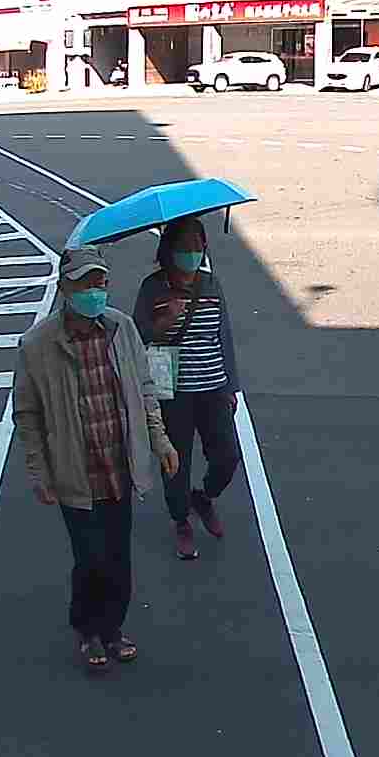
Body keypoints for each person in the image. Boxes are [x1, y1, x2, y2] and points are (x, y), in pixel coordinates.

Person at [13, 247, 178, 673]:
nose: (95, 291)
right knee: (90, 558)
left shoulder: (121, 329)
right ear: (64, 288)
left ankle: (112, 628)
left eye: (101, 282)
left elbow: (145, 388)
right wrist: (39, 472)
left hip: (120, 467)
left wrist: (160, 442)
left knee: (118, 558)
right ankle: (87, 628)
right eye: (86, 283)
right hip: (75, 472)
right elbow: (27, 415)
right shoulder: (37, 345)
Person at [135, 217, 244, 561]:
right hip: (172, 391)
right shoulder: (153, 287)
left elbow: (223, 336)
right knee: (175, 460)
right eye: (184, 247)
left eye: (198, 246)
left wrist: (231, 386)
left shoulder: (211, 284)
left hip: (213, 388)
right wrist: (164, 322)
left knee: (227, 456)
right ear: (169, 250)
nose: (192, 253)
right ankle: (181, 519)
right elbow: (137, 337)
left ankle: (204, 497)